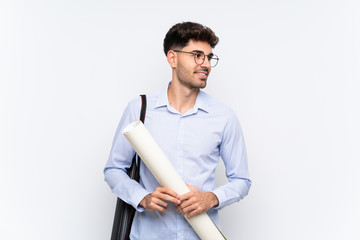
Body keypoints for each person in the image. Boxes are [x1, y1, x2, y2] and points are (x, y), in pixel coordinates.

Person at [104, 21, 251, 239]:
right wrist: (142, 197)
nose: (206, 64)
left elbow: (242, 180)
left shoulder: (224, 116)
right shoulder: (139, 109)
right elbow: (114, 169)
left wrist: (211, 198)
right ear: (173, 58)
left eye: (209, 57)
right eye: (197, 55)